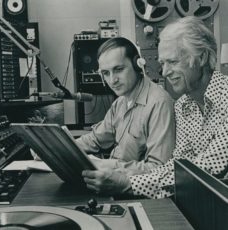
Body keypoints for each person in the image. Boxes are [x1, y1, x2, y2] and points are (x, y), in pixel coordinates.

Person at [83, 16, 228, 198]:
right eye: (162, 63)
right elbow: (177, 167)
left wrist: (127, 183)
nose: (165, 72)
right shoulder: (183, 105)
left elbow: (207, 170)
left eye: (173, 62)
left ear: (203, 57)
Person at [77, 37, 175, 194]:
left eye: (118, 69)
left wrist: (110, 166)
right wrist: (55, 148)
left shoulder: (159, 103)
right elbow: (95, 139)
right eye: (106, 73)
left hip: (138, 194)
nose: (112, 80)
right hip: (113, 186)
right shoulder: (120, 102)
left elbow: (159, 169)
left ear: (137, 65)